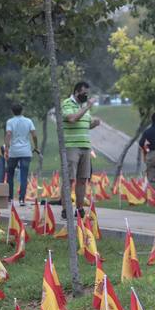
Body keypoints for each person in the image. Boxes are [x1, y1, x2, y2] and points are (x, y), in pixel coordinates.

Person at [61, 80, 101, 215]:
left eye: (87, 94)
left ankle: (79, 209)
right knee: (70, 179)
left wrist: (94, 123)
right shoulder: (67, 103)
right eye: (84, 93)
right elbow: (72, 119)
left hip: (85, 146)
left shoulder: (84, 106)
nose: (86, 96)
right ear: (76, 92)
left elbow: (85, 123)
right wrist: (87, 107)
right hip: (72, 146)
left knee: (83, 179)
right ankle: (66, 209)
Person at [5, 103, 38, 205]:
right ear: (22, 110)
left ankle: (10, 198)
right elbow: (34, 135)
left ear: (12, 111)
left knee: (10, 175)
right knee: (23, 175)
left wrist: (7, 147)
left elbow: (8, 134)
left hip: (14, 151)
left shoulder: (10, 121)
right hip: (25, 151)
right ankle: (21, 199)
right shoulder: (28, 121)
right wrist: (36, 146)